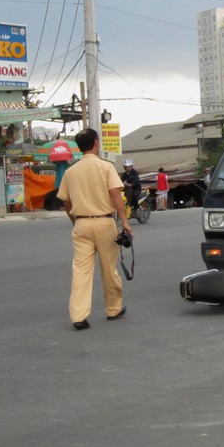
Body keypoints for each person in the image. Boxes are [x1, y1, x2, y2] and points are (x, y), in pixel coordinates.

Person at [57, 128, 133, 330]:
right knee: (109, 269)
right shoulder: (105, 167)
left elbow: (65, 201)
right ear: (96, 143)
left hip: (81, 224)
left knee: (80, 271)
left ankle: (79, 316)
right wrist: (125, 222)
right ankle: (113, 308)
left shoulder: (71, 171)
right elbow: (116, 195)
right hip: (104, 222)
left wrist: (76, 220)